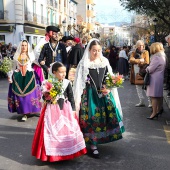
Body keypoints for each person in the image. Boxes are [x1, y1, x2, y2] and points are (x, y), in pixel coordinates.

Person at [73, 39, 125, 158]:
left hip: (104, 94)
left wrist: (109, 87)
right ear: (89, 50)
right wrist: (78, 99)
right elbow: (79, 82)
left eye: (99, 50)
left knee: (104, 117)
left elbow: (110, 77)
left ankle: (101, 138)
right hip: (90, 94)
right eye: (94, 50)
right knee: (91, 118)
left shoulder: (104, 61)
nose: (96, 53)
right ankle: (93, 144)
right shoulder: (84, 64)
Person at [32, 62, 87, 162]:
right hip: (51, 110)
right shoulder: (47, 83)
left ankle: (66, 153)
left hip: (65, 109)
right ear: (54, 72)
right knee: (50, 130)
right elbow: (43, 97)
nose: (63, 74)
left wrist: (73, 110)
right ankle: (51, 154)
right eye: (61, 72)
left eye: (64, 72)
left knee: (67, 129)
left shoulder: (67, 82)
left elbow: (70, 97)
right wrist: (47, 96)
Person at [7, 40, 41, 121]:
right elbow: (12, 67)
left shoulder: (31, 56)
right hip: (19, 77)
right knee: (20, 96)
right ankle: (24, 113)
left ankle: (34, 110)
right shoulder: (16, 56)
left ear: (28, 46)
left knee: (31, 95)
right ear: (20, 46)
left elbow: (38, 63)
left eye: (25, 45)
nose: (24, 47)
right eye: (22, 45)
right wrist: (10, 76)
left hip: (29, 76)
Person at [146, 42, 166, 120]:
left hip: (154, 78)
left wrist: (146, 68)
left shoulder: (156, 57)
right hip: (160, 77)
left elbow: (151, 69)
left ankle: (154, 113)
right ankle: (159, 109)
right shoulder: (163, 56)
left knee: (154, 96)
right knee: (159, 95)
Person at [129, 40, 151, 107]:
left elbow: (147, 62)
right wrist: (140, 60)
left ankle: (150, 102)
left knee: (145, 86)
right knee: (138, 86)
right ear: (137, 46)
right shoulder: (133, 52)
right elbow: (131, 60)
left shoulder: (146, 52)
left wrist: (137, 62)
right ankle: (141, 101)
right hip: (135, 71)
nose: (141, 47)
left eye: (142, 45)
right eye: (139, 45)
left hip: (143, 71)